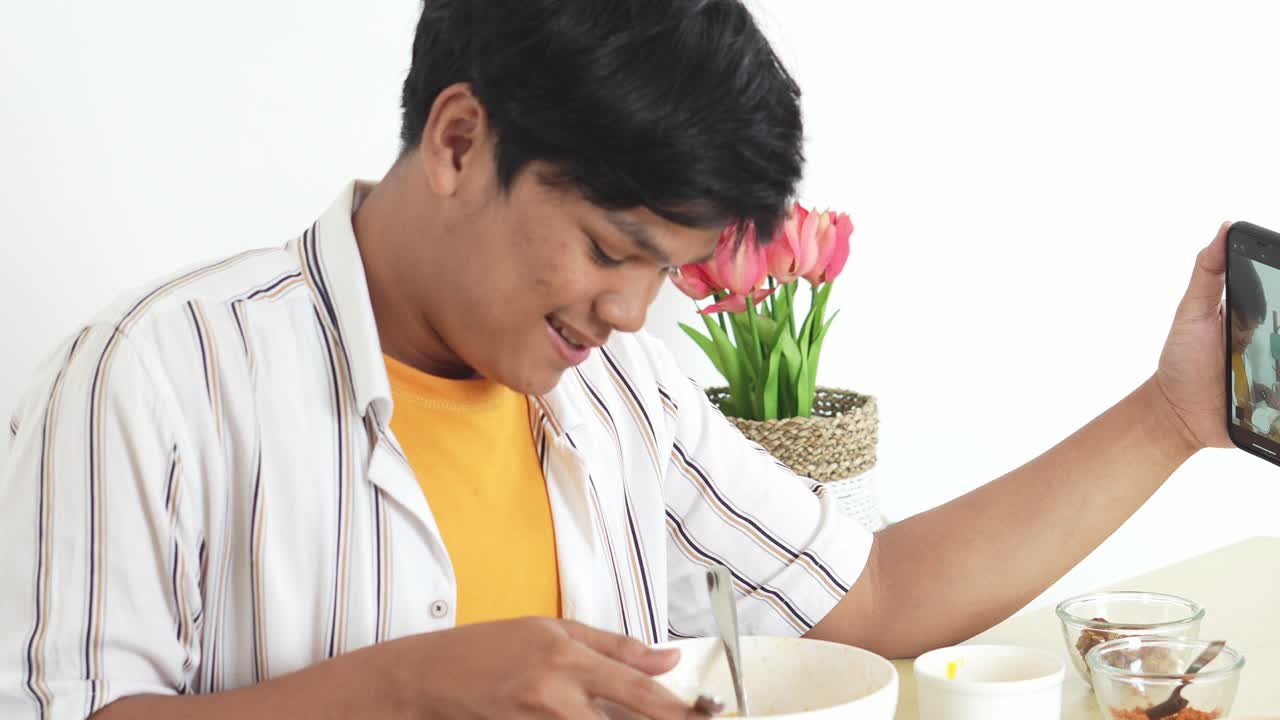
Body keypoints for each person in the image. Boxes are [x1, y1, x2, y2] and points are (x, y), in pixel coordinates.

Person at [0, 1, 1239, 718]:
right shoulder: (148, 381)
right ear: (457, 141)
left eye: (665, 269)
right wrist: (405, 691)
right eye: (609, 248)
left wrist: (1174, 415)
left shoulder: (613, 388)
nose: (632, 314)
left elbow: (870, 597)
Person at [1227, 255, 1280, 433]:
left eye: (1253, 329)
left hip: (1251, 431)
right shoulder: (1213, 364)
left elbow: (1243, 383)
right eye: (1242, 327)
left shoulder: (1241, 353)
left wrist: (1261, 390)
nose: (1248, 339)